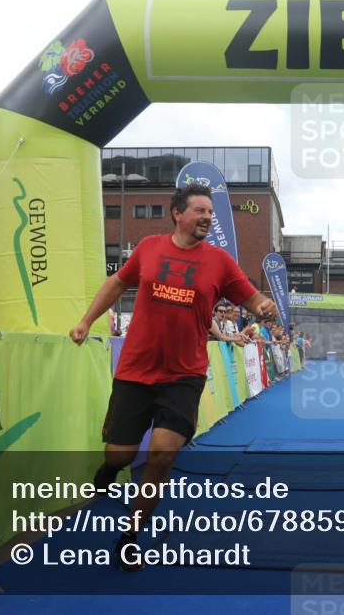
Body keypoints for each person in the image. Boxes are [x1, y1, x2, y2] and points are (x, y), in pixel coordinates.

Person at [69, 183, 276, 571]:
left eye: (211, 212)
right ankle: (111, 469)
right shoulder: (149, 248)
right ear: (177, 214)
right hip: (136, 369)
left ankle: (130, 535)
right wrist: (85, 321)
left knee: (163, 455)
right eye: (200, 211)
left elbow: (252, 298)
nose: (208, 217)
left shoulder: (220, 262)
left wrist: (265, 305)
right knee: (120, 453)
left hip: (184, 374)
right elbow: (117, 283)